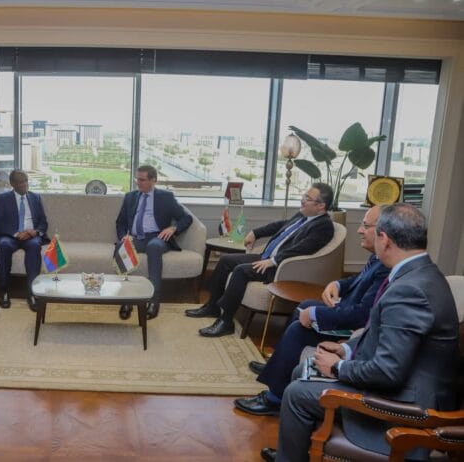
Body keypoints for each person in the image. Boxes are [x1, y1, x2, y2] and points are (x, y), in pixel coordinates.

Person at [261, 203, 460, 462]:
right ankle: (294, 453)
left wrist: (338, 367)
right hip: (406, 386)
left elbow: (387, 372)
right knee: (303, 370)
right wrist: (345, 349)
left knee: (296, 393)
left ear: (384, 239)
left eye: (372, 230)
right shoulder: (422, 274)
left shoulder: (410, 290)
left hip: (407, 408)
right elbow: (386, 336)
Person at [234, 205, 389, 417]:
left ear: (383, 233)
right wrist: (337, 284)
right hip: (346, 309)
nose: (359, 230)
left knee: (299, 328)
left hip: (353, 328)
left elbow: (361, 315)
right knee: (305, 306)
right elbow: (358, 280)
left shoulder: (385, 267)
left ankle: (274, 399)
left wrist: (315, 315)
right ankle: (278, 364)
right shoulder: (378, 259)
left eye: (365, 225)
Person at [189, 182, 335, 338]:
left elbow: (302, 249)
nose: (303, 200)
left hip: (280, 268)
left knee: (241, 271)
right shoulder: (303, 215)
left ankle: (226, 322)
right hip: (266, 257)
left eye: (308, 198)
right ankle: (212, 307)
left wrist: (273, 261)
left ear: (321, 206)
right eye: (304, 196)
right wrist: (255, 233)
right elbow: (279, 225)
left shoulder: (323, 226)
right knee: (226, 260)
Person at [115, 165, 192, 320]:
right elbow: (120, 222)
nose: (138, 183)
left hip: (157, 237)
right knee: (120, 247)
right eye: (137, 179)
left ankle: (153, 301)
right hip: (135, 238)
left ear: (153, 180)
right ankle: (126, 299)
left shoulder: (165, 197)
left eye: (142, 180)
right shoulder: (130, 197)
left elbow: (186, 218)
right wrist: (124, 237)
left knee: (154, 247)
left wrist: (173, 228)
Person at [0, 169, 49, 310]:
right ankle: (4, 291)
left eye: (26, 182)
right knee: (3, 245)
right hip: (10, 236)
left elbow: (43, 222)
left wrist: (34, 232)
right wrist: (16, 234)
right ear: (12, 184)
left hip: (30, 236)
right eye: (20, 183)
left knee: (35, 246)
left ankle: (32, 293)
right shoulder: (2, 199)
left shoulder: (35, 197)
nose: (24, 185)